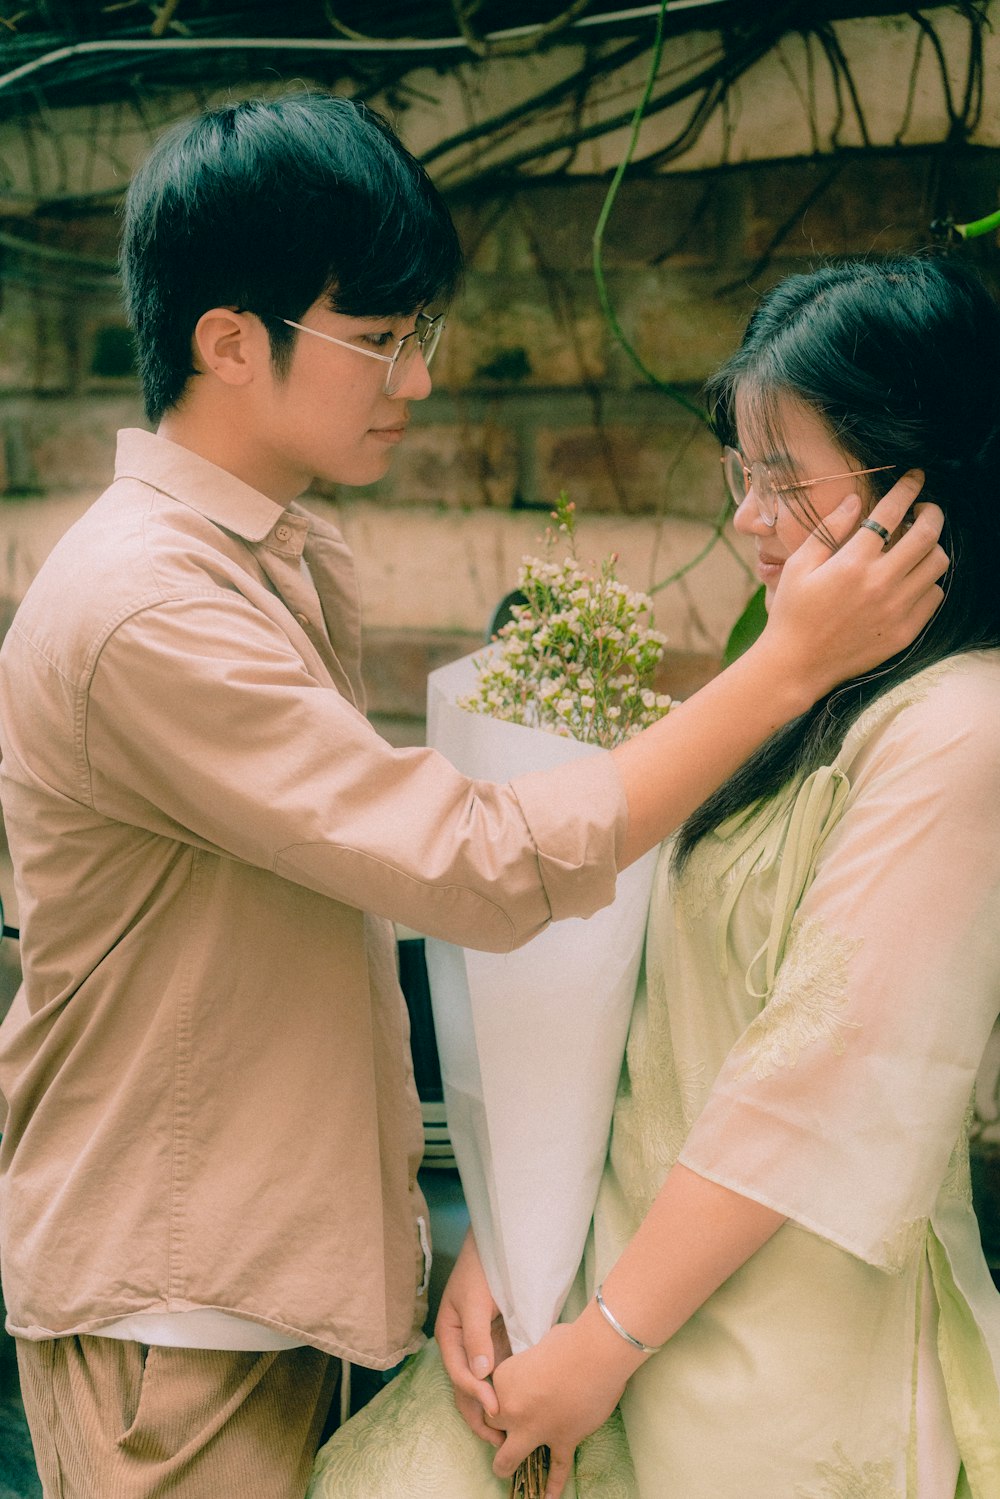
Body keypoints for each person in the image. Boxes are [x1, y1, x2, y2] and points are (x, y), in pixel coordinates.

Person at [0, 87, 944, 1499]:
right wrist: (787, 665)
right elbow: (470, 859)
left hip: (244, 1279)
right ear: (228, 342)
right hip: (172, 1307)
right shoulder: (152, 606)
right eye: (379, 341)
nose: (420, 381)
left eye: (420, 336)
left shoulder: (255, 559)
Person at [306, 252, 1000, 1499]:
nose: (747, 519)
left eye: (786, 481)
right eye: (743, 474)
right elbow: (633, 1021)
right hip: (608, 1301)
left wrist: (607, 1337)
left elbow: (812, 1081)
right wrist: (522, 1245)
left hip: (769, 1367)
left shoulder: (959, 727)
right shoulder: (803, 692)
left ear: (922, 494)